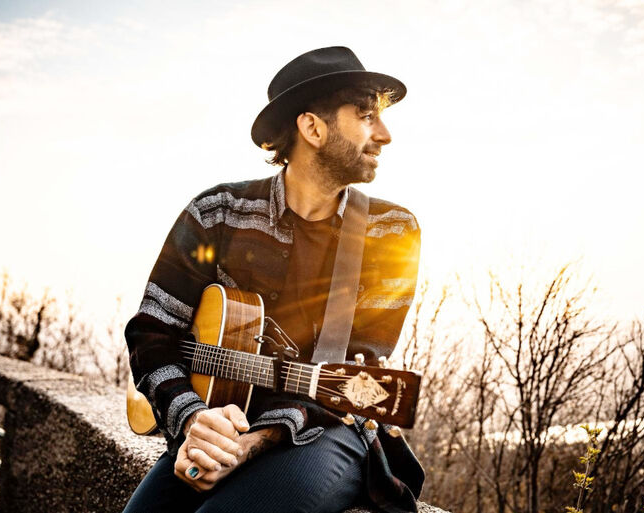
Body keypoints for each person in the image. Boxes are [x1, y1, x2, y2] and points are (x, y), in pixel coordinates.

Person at [123, 46, 424, 513]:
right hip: (218, 423)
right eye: (366, 115)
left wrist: (249, 443)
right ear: (312, 128)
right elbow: (153, 332)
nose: (384, 134)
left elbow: (356, 377)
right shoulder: (216, 212)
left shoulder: (391, 232)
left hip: (329, 429)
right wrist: (192, 421)